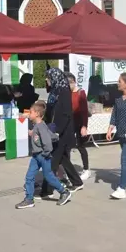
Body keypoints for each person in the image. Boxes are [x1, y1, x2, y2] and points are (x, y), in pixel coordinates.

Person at [15, 101, 72, 208]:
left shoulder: (40, 126)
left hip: (43, 156)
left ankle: (64, 192)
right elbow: (50, 135)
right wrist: (33, 133)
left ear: (37, 114)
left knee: (49, 176)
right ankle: (29, 199)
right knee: (29, 177)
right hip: (36, 156)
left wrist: (46, 152)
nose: (29, 114)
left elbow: (47, 141)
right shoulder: (39, 126)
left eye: (30, 112)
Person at [39, 68, 83, 198]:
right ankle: (77, 181)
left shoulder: (63, 92)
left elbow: (66, 114)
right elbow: (51, 111)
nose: (47, 80)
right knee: (63, 159)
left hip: (62, 131)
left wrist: (57, 131)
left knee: (52, 160)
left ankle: (47, 190)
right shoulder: (55, 91)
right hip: (55, 130)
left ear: (54, 77)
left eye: (48, 78)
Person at [66, 72, 91, 181]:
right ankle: (68, 170)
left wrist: (84, 126)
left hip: (79, 122)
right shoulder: (66, 93)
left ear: (73, 82)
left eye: (69, 84)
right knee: (67, 147)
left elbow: (84, 111)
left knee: (81, 146)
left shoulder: (81, 93)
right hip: (69, 123)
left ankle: (86, 169)